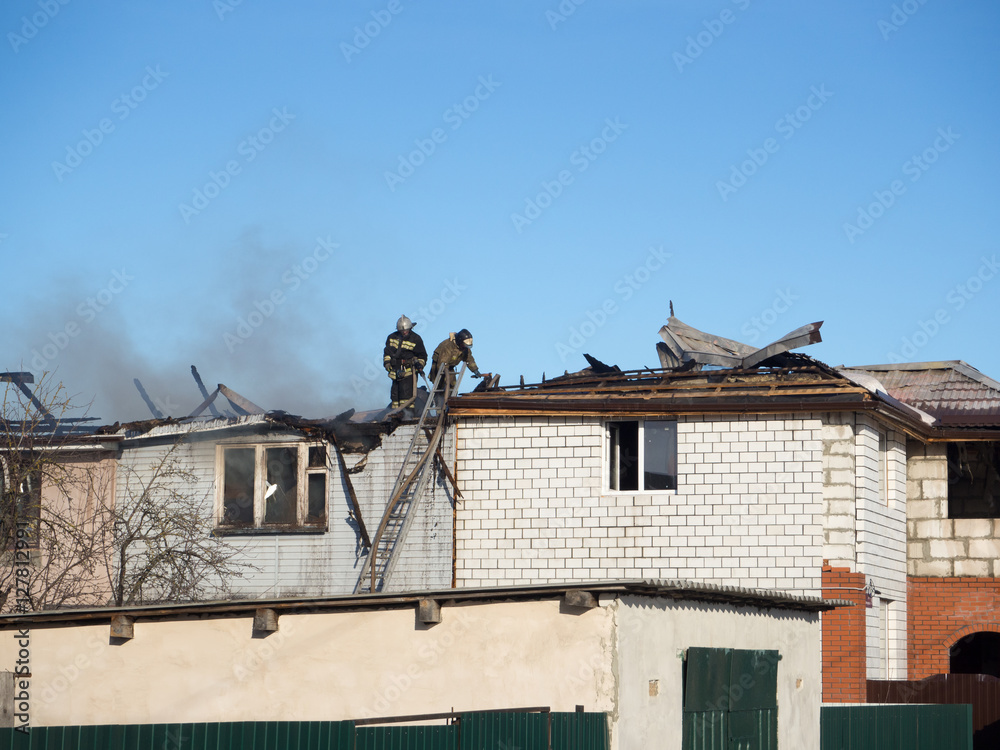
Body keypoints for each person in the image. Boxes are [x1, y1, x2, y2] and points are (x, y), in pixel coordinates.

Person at [383, 315, 427, 409]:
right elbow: (387, 353)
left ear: (410, 328)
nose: (404, 332)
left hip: (409, 372)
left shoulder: (416, 339)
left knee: (407, 395)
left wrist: (420, 366)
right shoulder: (391, 337)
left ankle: (407, 414)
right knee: (395, 395)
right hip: (395, 371)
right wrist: (387, 364)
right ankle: (394, 414)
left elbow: (422, 356)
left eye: (406, 330)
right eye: (402, 331)